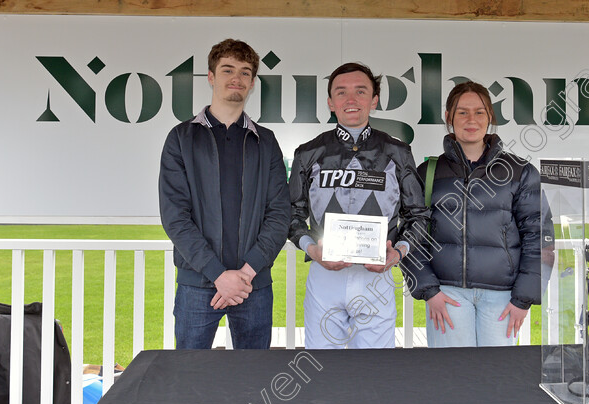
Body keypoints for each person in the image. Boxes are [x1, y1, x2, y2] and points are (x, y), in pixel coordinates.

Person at [159, 39, 290, 350]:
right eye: (228, 70)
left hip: (252, 285)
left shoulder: (266, 141)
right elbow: (175, 216)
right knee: (190, 379)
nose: (237, 79)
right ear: (211, 77)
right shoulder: (181, 138)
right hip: (198, 284)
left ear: (252, 83)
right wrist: (218, 274)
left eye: (245, 73)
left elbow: (280, 213)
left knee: (254, 381)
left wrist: (245, 273)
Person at [288, 62, 429, 349]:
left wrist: (398, 253)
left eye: (360, 91)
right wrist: (311, 249)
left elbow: (418, 216)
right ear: (330, 102)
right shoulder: (307, 153)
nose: (350, 100)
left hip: (376, 279)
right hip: (324, 276)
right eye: (341, 92)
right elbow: (291, 214)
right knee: (323, 373)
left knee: (375, 375)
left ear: (374, 100)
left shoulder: (398, 152)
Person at [401, 81, 542, 347]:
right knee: (451, 381)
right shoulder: (427, 172)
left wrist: (523, 299)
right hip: (447, 295)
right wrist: (429, 290)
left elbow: (537, 236)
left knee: (496, 380)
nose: (471, 120)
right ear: (448, 117)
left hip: (502, 299)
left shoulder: (520, 171)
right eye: (462, 112)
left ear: (490, 117)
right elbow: (410, 234)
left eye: (479, 112)